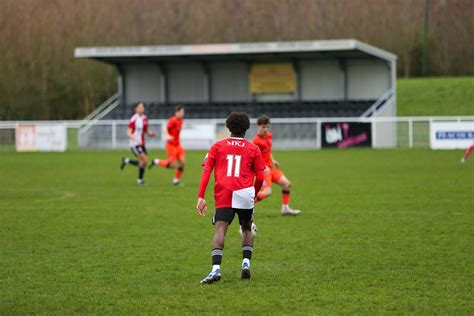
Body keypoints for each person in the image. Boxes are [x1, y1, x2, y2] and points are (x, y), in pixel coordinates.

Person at [196, 112, 265, 285]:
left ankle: (215, 270)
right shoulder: (253, 148)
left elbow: (206, 171)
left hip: (224, 192)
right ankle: (245, 264)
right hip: (245, 193)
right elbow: (261, 178)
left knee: (220, 229)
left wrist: (201, 197)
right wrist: (254, 194)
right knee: (247, 228)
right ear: (247, 129)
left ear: (228, 127)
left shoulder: (216, 146)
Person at [252, 115, 301, 215]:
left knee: (286, 184)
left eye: (267, 127)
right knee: (267, 192)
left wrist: (273, 160)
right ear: (258, 126)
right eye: (263, 127)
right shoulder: (255, 141)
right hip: (263, 170)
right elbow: (253, 157)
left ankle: (285, 208)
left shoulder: (269, 136)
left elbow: (268, 151)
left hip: (270, 168)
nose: (265, 129)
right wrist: (262, 166)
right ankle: (247, 205)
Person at [120, 102, 156, 185]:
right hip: (134, 144)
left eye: (142, 107)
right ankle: (139, 180)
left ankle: (127, 161)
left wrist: (151, 134)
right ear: (136, 109)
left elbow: (146, 131)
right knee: (144, 159)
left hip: (142, 143)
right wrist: (136, 140)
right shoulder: (134, 119)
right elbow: (128, 133)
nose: (142, 108)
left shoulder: (145, 118)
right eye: (139, 107)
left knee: (143, 162)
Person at [149, 106, 186, 185]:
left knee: (183, 162)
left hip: (178, 144)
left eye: (183, 112)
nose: (183, 114)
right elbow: (165, 129)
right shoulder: (172, 120)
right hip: (171, 145)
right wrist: (168, 136)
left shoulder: (181, 121)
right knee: (172, 165)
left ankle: (176, 180)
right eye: (182, 112)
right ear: (177, 113)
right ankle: (156, 161)